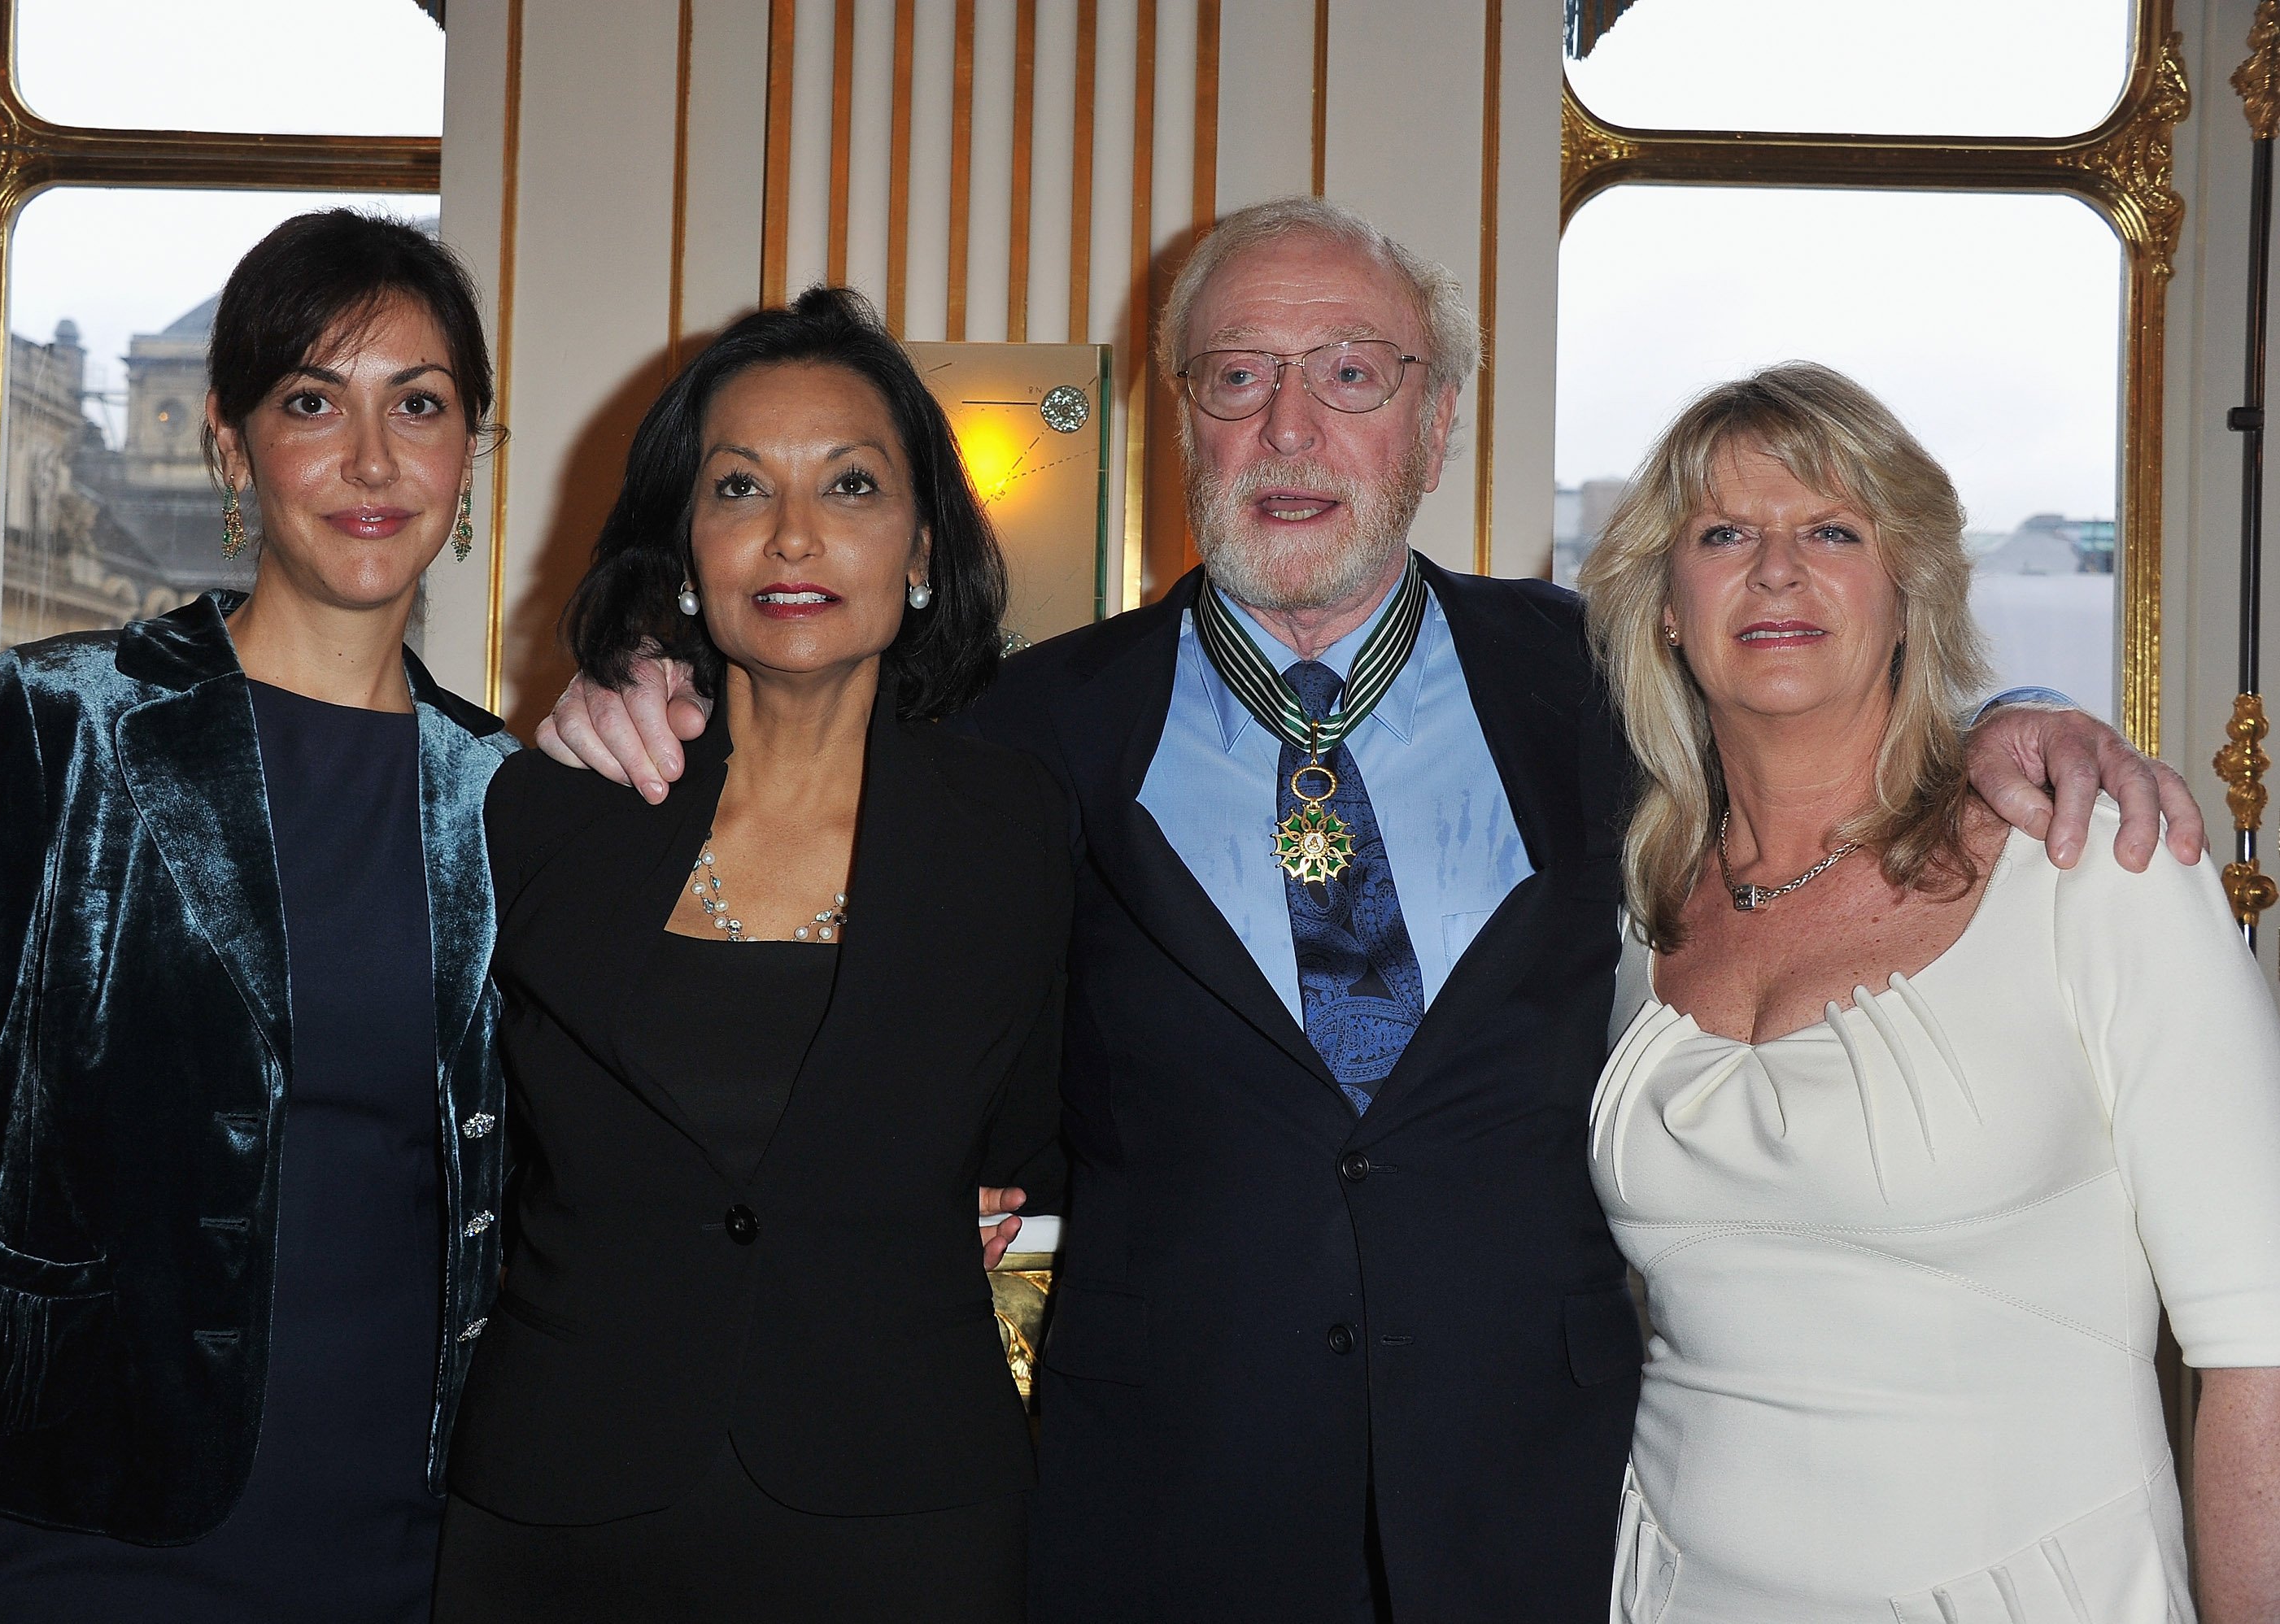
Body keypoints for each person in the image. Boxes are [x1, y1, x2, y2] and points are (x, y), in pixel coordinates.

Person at [539, 198, 2204, 1622]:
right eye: (1238, 379)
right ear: (1182, 421)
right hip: (1161, 1516)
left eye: (1352, 378)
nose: (1288, 432)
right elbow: (798, 805)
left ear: (1438, 419)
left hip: (1545, 1515)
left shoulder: (1601, 685)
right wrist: (638, 694)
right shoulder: (1022, 736)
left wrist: (2023, 715)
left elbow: (1833, 712)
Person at [0, 210, 516, 1624]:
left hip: (396, 1527)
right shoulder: (60, 722)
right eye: (313, 402)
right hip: (78, 1520)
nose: (374, 461)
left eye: (422, 406)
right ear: (230, 443)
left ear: (472, 455)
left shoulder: (504, 792)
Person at [1579, 364, 2280, 1622]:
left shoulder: (2093, 865)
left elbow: (2262, 1347)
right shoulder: (1633, 899)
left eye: (1834, 531)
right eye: (1725, 533)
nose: (1777, 569)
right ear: (1667, 607)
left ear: (1908, 593)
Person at [430, 286, 1066, 1624]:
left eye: (849, 483)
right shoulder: (545, 811)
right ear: (685, 549)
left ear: (923, 545)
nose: (793, 535)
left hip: (905, 1517)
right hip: (562, 1510)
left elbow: (1044, 1135)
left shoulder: (1021, 835)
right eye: (738, 487)